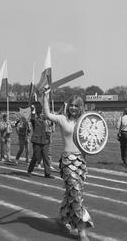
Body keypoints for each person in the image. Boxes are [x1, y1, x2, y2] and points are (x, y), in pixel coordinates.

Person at [42, 92, 93, 241]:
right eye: (71, 105)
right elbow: (47, 114)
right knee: (76, 194)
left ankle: (61, 219)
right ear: (67, 106)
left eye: (76, 106)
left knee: (71, 194)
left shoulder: (85, 121)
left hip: (81, 162)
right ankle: (82, 231)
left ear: (81, 107)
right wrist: (45, 96)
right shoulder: (62, 119)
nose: (73, 108)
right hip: (67, 162)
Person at [27, 104, 54, 178]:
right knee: (36, 156)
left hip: (45, 141)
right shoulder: (35, 120)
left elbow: (51, 125)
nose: (41, 115)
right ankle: (29, 170)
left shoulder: (46, 121)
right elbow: (32, 119)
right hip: (37, 142)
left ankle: (47, 173)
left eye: (42, 114)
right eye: (40, 113)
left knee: (46, 157)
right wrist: (33, 111)